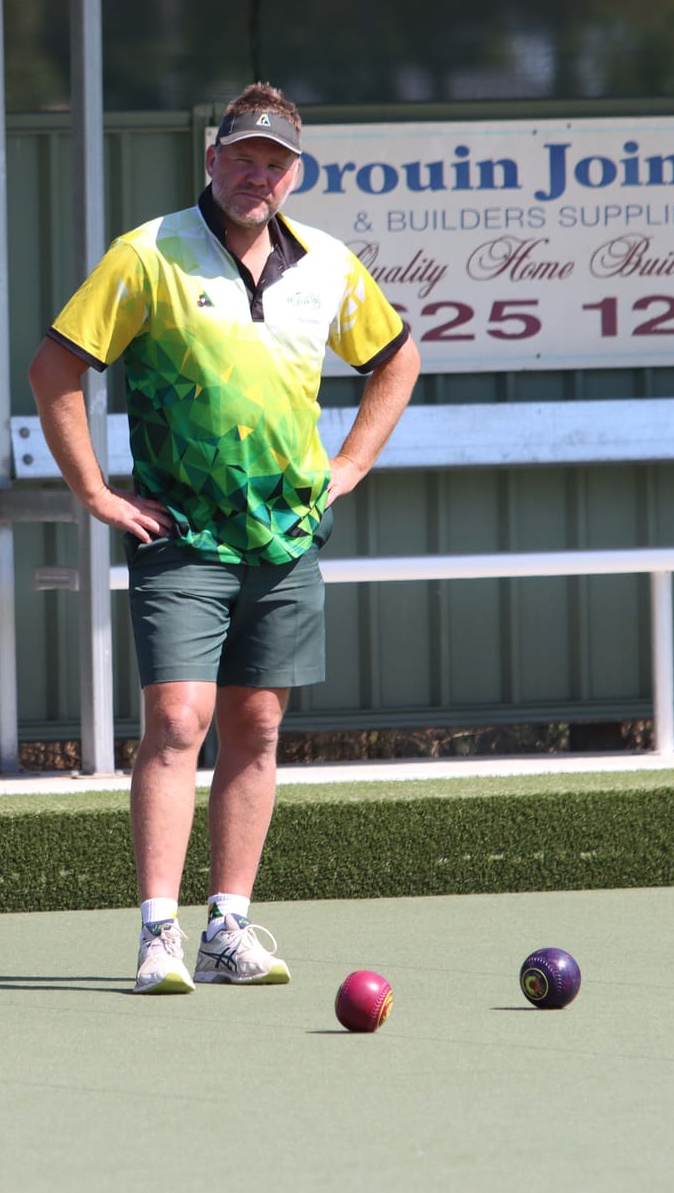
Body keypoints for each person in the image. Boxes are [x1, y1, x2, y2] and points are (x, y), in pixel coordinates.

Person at [27, 83, 420, 994]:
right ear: (212, 159)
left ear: (295, 173)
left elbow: (395, 358)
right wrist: (92, 489)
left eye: (274, 162)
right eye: (242, 156)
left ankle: (228, 926)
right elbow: (57, 367)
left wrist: (350, 466)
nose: (257, 174)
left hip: (286, 537)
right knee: (176, 720)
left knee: (258, 723)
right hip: (181, 531)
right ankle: (158, 933)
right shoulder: (149, 255)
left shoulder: (328, 263)